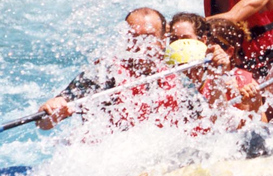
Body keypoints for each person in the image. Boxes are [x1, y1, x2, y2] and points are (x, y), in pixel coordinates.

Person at [36, 7, 176, 131]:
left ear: (164, 39)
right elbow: (44, 124)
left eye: (148, 38)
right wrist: (51, 109)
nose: (139, 45)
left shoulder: (175, 68)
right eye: (132, 37)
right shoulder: (106, 71)